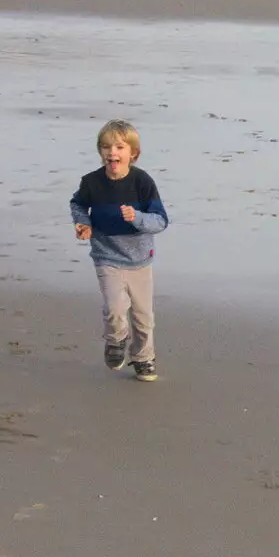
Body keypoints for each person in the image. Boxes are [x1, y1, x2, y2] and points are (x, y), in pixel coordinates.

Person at [70, 120, 169, 380]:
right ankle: (116, 341)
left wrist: (136, 217)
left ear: (132, 153)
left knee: (143, 316)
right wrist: (83, 223)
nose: (112, 152)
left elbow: (160, 221)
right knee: (115, 308)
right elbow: (78, 205)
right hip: (106, 255)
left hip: (139, 259)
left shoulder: (142, 182)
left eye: (119, 147)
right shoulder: (91, 182)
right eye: (106, 147)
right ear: (100, 152)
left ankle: (144, 358)